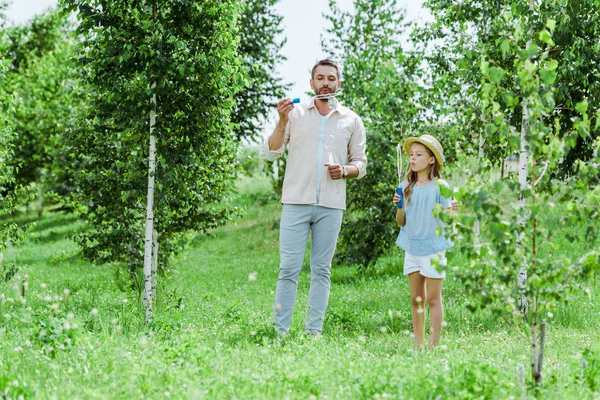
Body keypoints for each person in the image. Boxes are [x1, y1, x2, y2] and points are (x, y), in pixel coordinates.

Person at [263, 59, 367, 336]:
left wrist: (345, 170)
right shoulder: (295, 114)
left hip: (331, 206)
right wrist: (282, 120)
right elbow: (271, 151)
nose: (325, 83)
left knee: (322, 271)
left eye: (331, 78)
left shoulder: (352, 120)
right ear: (311, 83)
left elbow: (361, 164)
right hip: (296, 202)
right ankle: (280, 332)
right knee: (288, 270)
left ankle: (313, 333)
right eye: (320, 78)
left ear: (338, 84)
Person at [393, 134, 457, 348]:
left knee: (432, 299)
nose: (413, 158)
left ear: (431, 160)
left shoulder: (440, 186)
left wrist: (454, 212)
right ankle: (418, 344)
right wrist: (400, 206)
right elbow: (401, 222)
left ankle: (433, 343)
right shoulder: (406, 186)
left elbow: (448, 218)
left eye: (419, 154)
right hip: (412, 247)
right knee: (416, 299)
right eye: (411, 154)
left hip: (433, 249)